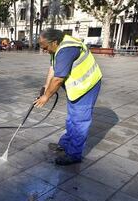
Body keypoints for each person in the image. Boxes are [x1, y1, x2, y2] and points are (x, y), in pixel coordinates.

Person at [34, 29, 102, 166]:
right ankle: (65, 144)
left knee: (79, 121)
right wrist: (46, 87)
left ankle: (74, 155)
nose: (44, 50)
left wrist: (46, 97)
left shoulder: (67, 50)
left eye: (45, 47)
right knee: (71, 118)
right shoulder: (57, 48)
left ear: (54, 42)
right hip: (77, 88)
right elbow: (53, 68)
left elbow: (58, 79)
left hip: (87, 86)